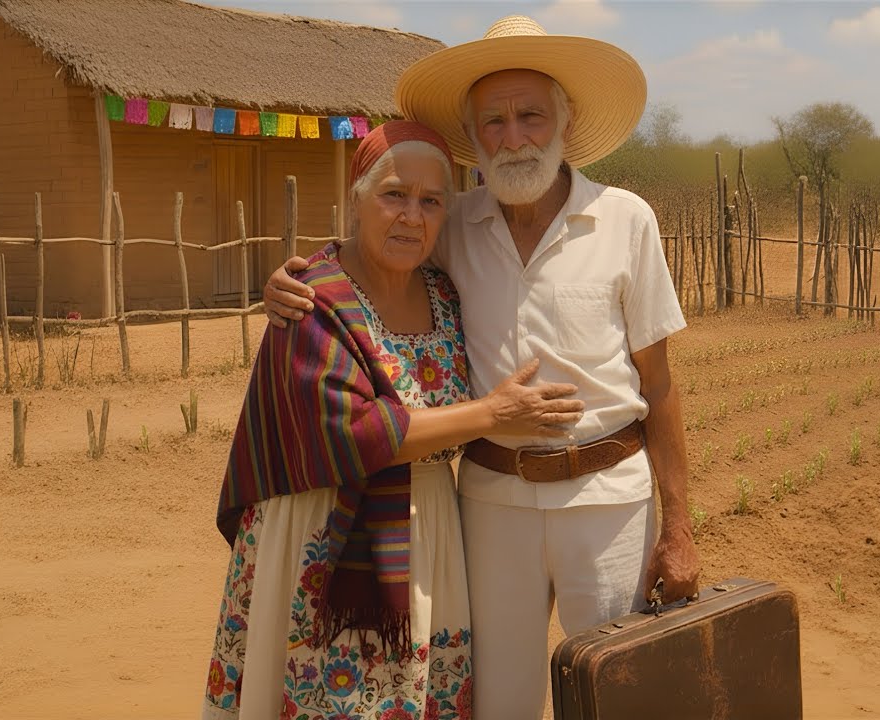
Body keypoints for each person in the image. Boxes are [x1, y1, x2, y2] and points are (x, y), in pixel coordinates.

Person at [262, 16, 701, 719]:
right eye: (493, 121)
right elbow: (376, 248)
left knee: (618, 696)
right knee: (497, 702)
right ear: (473, 134)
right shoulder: (452, 222)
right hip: (492, 502)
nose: (513, 135)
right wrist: (296, 278)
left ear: (565, 121)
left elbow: (660, 385)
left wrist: (678, 527)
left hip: (609, 503)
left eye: (531, 115)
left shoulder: (626, 220)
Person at [202, 120, 584, 720]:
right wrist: (492, 413)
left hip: (429, 535)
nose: (412, 216)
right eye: (394, 195)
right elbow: (353, 432)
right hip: (322, 541)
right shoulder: (311, 299)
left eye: (431, 201)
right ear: (356, 198)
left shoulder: (445, 294)